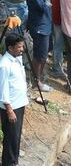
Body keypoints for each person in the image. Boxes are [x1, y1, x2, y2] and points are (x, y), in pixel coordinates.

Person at [0, 33, 28, 166]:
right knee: (11, 137)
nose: (22, 49)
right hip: (11, 107)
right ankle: (8, 163)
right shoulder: (4, 64)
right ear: (10, 48)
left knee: (15, 136)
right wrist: (9, 110)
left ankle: (14, 161)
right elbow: (3, 88)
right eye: (19, 47)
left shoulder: (17, 58)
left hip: (19, 104)